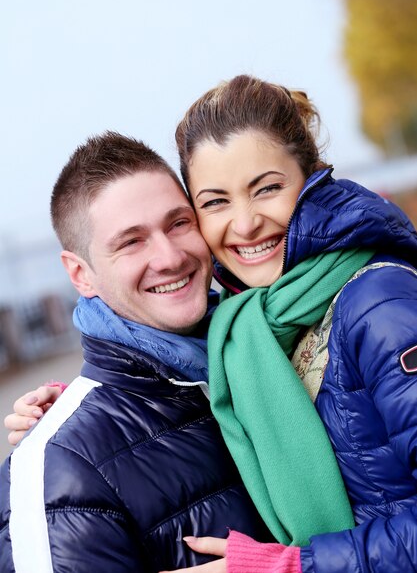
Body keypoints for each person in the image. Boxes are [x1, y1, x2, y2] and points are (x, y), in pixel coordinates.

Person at [7, 76, 417, 572]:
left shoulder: (377, 302)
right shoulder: (250, 335)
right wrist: (79, 415)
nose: (244, 225)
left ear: (311, 180)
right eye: (216, 202)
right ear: (79, 273)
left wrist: (291, 566)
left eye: (266, 189)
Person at [0, 131, 271, 573]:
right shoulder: (57, 469)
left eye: (179, 223)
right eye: (131, 241)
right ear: (80, 274)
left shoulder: (264, 362)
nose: (169, 256)